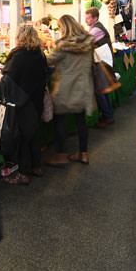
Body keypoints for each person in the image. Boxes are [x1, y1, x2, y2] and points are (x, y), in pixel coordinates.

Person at [1, 25, 49, 184]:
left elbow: (8, 78)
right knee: (34, 133)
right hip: (36, 99)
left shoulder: (18, 56)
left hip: (21, 102)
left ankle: (23, 172)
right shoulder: (40, 54)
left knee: (21, 136)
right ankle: (37, 166)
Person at [46, 15, 95, 166]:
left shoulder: (62, 46)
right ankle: (83, 153)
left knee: (59, 120)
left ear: (64, 28)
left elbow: (49, 61)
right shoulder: (89, 42)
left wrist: (49, 48)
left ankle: (61, 155)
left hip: (65, 88)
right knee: (81, 121)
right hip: (83, 86)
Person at [84, 7, 114, 127]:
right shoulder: (95, 27)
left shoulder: (96, 29)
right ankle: (108, 115)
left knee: (100, 91)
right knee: (103, 90)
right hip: (103, 62)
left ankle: (107, 116)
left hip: (101, 63)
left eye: (88, 18)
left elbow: (85, 42)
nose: (86, 20)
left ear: (95, 18)